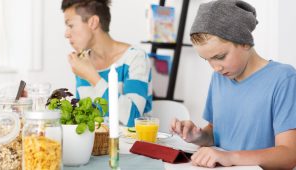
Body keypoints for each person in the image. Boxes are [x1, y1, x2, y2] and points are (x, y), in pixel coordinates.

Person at [170, 0, 296, 169]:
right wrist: (198, 136)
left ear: (245, 42)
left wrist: (230, 157)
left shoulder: (283, 78)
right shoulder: (220, 77)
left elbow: (289, 155)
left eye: (220, 57)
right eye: (207, 59)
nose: (215, 67)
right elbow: (216, 133)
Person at [61, 0, 152, 127]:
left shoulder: (135, 57)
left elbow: (134, 119)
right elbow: (84, 121)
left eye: (70, 25)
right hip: (97, 145)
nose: (66, 34)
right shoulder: (83, 62)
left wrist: (92, 77)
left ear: (93, 22)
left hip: (131, 145)